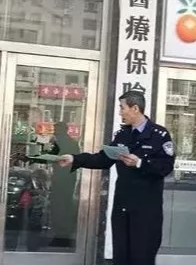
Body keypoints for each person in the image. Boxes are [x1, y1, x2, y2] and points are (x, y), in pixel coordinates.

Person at [58, 90, 175, 265]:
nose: (120, 113)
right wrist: (75, 159)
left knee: (142, 256)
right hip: (122, 205)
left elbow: (165, 167)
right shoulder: (123, 134)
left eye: (122, 108)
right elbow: (103, 159)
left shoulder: (159, 135)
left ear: (135, 108)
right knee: (121, 255)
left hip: (146, 208)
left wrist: (140, 163)